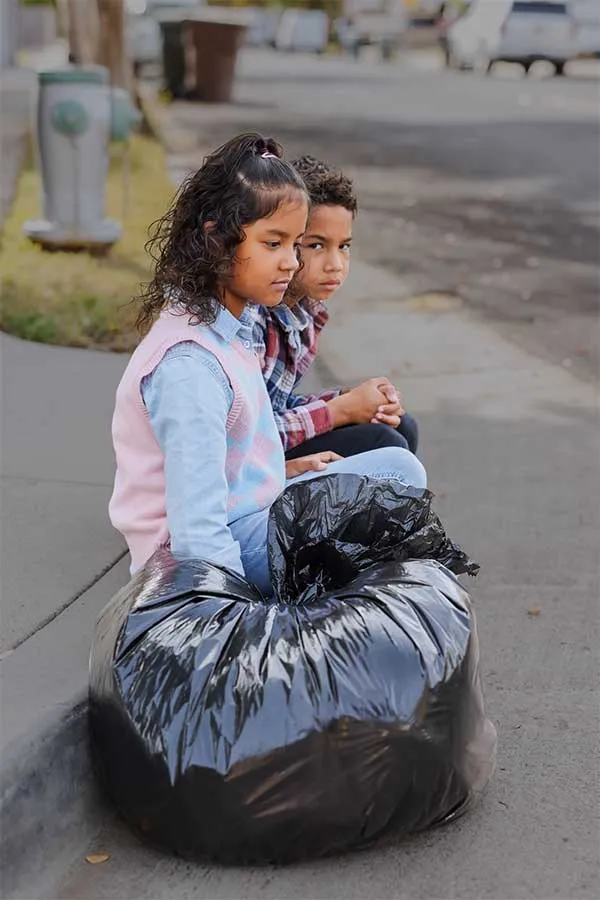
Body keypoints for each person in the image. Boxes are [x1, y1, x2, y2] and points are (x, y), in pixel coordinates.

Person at [109, 133, 427, 596]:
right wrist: (235, 624)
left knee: (399, 466)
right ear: (215, 238)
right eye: (273, 243)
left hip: (254, 509)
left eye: (296, 244)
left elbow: (239, 454)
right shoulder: (189, 365)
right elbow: (198, 533)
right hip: (208, 551)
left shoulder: (231, 330)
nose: (290, 263)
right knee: (394, 486)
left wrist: (288, 473)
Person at [252, 154, 419, 462]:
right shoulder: (253, 317)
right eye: (316, 245)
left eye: (344, 246)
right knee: (383, 442)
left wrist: (349, 401)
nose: (335, 265)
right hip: (247, 464)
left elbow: (278, 404)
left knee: (401, 426)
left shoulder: (306, 311)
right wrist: (340, 411)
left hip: (270, 441)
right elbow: (248, 435)